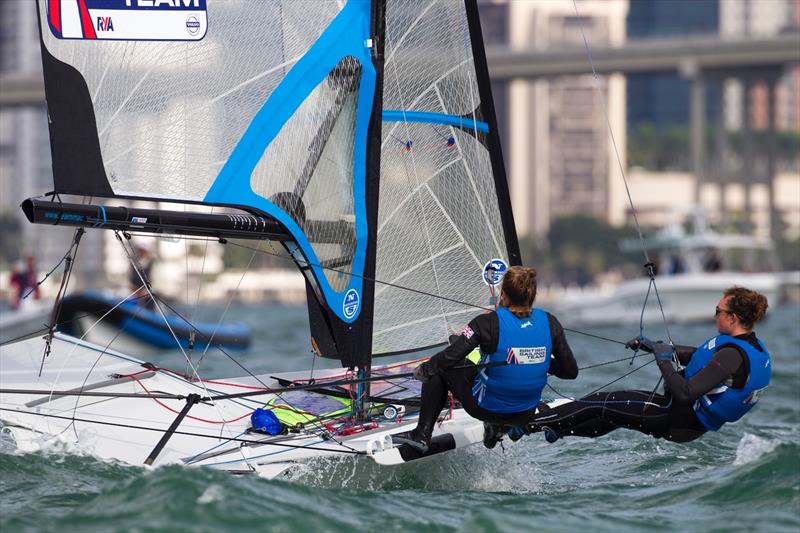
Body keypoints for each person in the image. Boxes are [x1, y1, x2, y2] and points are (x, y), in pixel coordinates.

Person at [522, 286, 771, 444]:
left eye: (718, 310)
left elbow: (685, 393)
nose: (715, 314)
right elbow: (700, 358)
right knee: (609, 415)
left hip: (677, 416)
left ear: (733, 318)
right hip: (685, 422)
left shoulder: (732, 355)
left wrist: (663, 360)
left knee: (599, 402)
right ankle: (558, 428)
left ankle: (525, 424)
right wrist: (656, 347)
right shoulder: (750, 346)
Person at [394, 266, 579, 453]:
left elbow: (449, 357)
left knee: (440, 367)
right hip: (524, 413)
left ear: (504, 294)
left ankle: (422, 434)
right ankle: (497, 427)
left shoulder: (488, 323)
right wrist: (539, 359)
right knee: (469, 370)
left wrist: (424, 370)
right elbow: (571, 372)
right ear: (532, 295)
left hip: (486, 408)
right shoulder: (550, 322)